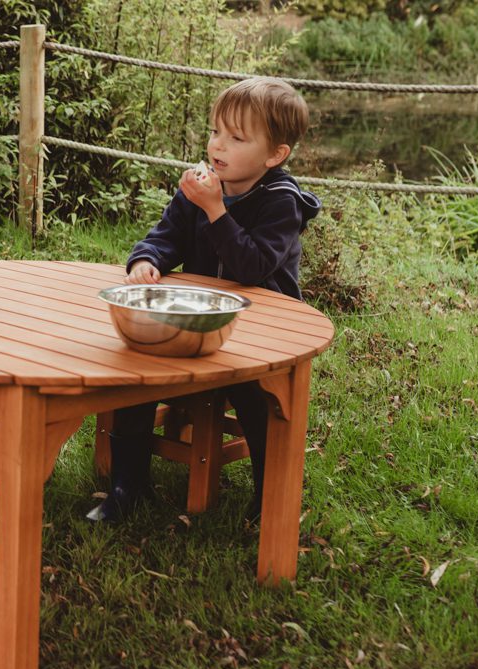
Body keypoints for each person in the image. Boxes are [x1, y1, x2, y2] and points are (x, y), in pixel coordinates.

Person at [87, 76, 321, 524]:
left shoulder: (280, 202)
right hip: (196, 323)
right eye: (216, 131)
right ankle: (126, 486)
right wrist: (145, 260)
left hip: (263, 333)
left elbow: (254, 267)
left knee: (256, 394)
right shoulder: (200, 187)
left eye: (237, 137)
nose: (219, 145)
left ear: (275, 155)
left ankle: (268, 496)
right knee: (135, 369)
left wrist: (216, 210)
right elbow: (164, 237)